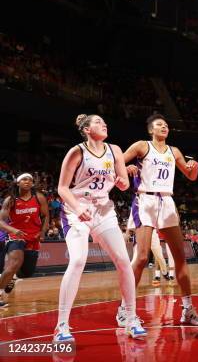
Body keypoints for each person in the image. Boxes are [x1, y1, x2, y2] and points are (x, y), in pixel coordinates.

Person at [54, 114, 146, 342]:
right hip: (76, 210)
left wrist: (122, 181)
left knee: (124, 262)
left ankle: (131, 318)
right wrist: (77, 208)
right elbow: (62, 188)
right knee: (77, 261)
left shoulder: (114, 149)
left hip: (103, 210)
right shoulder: (77, 151)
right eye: (97, 122)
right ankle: (62, 325)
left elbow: (122, 182)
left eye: (105, 122)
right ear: (86, 129)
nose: (104, 124)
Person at [120, 114, 198, 326]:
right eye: (159, 124)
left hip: (166, 201)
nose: (164, 127)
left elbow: (190, 176)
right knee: (141, 258)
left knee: (180, 258)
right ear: (151, 130)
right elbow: (116, 161)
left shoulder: (173, 151)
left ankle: (187, 309)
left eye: (166, 125)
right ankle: (124, 308)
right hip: (145, 200)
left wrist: (193, 168)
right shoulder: (142, 146)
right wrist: (126, 169)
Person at [0, 173, 49, 307]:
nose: (28, 182)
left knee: (27, 272)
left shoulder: (39, 198)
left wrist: (43, 231)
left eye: (30, 180)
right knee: (15, 263)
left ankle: (13, 278)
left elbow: (45, 216)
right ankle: (0, 293)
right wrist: (13, 230)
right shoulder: (10, 200)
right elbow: (1, 222)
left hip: (33, 237)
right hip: (16, 235)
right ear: (18, 183)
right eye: (24, 179)